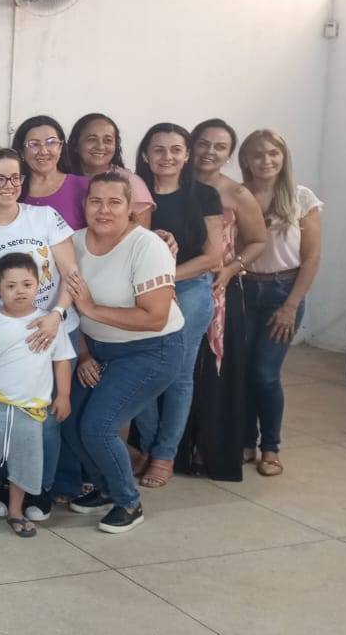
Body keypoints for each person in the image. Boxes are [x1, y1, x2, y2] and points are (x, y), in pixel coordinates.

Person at [56, 172, 186, 534]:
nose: (104, 210)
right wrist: (83, 354)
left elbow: (155, 317)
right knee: (68, 419)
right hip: (97, 350)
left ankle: (128, 502)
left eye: (115, 202)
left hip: (152, 351)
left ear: (131, 208)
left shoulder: (148, 246)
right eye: (95, 201)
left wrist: (94, 311)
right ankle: (103, 488)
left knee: (98, 427)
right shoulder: (73, 243)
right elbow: (67, 307)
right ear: (84, 205)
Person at [0, 147, 80, 520]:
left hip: (54, 331)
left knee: (41, 418)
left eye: (15, 177)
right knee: (3, 418)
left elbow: (71, 274)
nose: (8, 185)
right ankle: (5, 485)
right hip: (6, 335)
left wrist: (56, 316)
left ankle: (39, 490)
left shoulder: (44, 217)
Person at [130, 123, 224, 489]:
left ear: (186, 155)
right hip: (142, 293)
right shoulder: (135, 193)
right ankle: (153, 447)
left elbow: (213, 256)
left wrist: (167, 280)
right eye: (158, 150)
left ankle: (165, 454)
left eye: (175, 149)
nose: (167, 157)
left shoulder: (204, 195)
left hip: (189, 290)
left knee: (178, 375)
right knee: (143, 371)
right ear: (145, 155)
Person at [0, 253, 74, 539]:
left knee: (24, 462)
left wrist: (64, 396)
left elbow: (62, 362)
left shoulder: (49, 324)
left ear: (38, 284)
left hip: (30, 410)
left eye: (26, 284)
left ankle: (16, 511)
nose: (19, 291)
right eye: (10, 286)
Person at [175, 119, 267, 482]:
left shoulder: (237, 194)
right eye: (203, 143)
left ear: (229, 153)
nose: (210, 152)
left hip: (220, 289)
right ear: (191, 146)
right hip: (177, 285)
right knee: (179, 368)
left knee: (215, 373)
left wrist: (232, 269)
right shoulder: (173, 185)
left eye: (219, 146)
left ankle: (208, 452)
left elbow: (258, 241)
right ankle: (173, 450)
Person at [239, 129, 323, 478]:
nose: (266, 160)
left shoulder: (302, 198)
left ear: (284, 157)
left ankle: (270, 446)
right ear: (245, 160)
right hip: (244, 291)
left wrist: (291, 305)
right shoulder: (239, 196)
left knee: (265, 373)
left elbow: (312, 256)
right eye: (257, 154)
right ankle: (245, 439)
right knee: (242, 372)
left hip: (282, 291)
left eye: (273, 153)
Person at [65, 113, 155, 226]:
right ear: (75, 145)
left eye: (108, 140)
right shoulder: (61, 179)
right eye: (92, 139)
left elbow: (141, 237)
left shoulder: (131, 182)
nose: (100, 146)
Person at [13, 115, 91, 230]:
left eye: (51, 142)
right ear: (21, 152)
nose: (43, 151)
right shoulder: (10, 189)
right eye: (34, 144)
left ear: (60, 147)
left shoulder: (85, 186)